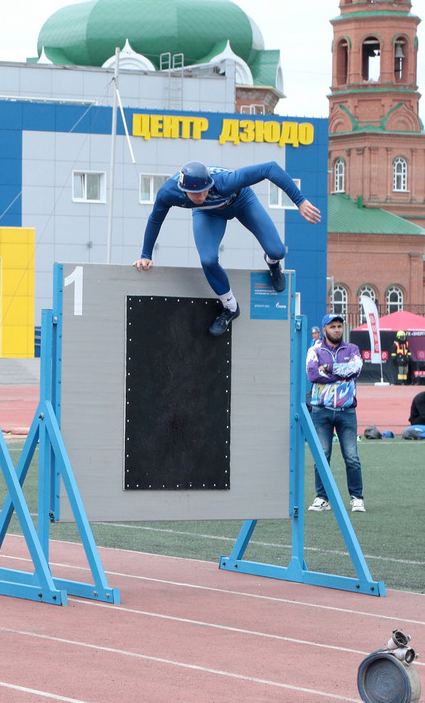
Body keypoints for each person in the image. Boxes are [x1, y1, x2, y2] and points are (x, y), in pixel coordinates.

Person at [133, 161, 321, 336]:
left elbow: (269, 169)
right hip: (208, 214)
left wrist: (300, 201)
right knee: (208, 260)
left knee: (277, 251)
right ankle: (230, 307)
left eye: (205, 191)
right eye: (195, 194)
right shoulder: (168, 193)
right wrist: (146, 254)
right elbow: (155, 219)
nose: (200, 196)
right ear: (183, 190)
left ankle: (272, 262)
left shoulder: (224, 182)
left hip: (241, 202)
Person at [306, 313, 365, 512]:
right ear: (324, 330)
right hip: (321, 411)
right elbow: (313, 374)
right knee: (322, 455)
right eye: (332, 326)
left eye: (339, 325)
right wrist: (340, 375)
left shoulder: (352, 349)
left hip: (346, 411)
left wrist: (329, 368)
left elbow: (356, 369)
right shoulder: (314, 350)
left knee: (351, 457)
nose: (337, 329)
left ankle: (357, 497)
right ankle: (322, 498)